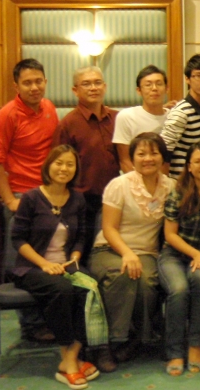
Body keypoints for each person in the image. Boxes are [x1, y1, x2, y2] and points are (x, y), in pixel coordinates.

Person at [11, 144, 101, 389]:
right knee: (62, 289)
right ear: (48, 166)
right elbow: (18, 239)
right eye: (58, 163)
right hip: (32, 267)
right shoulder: (31, 198)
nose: (64, 168)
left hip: (66, 264)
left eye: (70, 164)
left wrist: (75, 257)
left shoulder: (77, 199)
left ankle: (72, 357)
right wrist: (45, 264)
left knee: (90, 288)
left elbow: (81, 237)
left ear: (75, 170)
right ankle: (69, 361)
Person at [89, 132, 175, 373]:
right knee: (122, 275)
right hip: (109, 248)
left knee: (147, 281)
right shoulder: (119, 185)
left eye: (154, 153)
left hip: (147, 252)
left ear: (162, 157)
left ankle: (137, 338)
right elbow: (108, 228)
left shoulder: (171, 187)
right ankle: (107, 343)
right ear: (132, 158)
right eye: (141, 154)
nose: (148, 158)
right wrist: (127, 253)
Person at [0, 58, 59, 342]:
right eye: (27, 83)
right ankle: (30, 325)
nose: (34, 87)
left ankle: (44, 319)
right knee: (21, 263)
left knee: (46, 259)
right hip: (21, 197)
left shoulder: (49, 108)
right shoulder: (6, 115)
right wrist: (9, 201)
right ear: (16, 86)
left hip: (48, 195)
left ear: (45, 81)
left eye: (38, 81)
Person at [158, 140, 200, 375]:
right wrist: (197, 254)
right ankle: (175, 351)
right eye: (198, 161)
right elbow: (170, 235)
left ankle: (196, 344)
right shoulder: (178, 192)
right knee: (179, 289)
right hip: (174, 255)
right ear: (189, 166)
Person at [53, 66, 120, 263]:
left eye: (97, 83)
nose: (93, 88)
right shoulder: (67, 124)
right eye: (86, 84)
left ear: (105, 86)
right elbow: (57, 166)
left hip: (114, 199)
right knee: (82, 253)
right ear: (75, 90)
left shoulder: (117, 118)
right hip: (81, 201)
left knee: (108, 253)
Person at [161, 54, 200, 178]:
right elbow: (164, 151)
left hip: (198, 180)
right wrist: (165, 184)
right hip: (180, 182)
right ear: (187, 79)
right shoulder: (181, 112)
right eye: (198, 75)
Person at [113, 65, 170, 173]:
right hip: (136, 181)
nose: (154, 88)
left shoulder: (174, 117)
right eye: (148, 85)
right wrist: (143, 183)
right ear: (139, 90)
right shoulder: (126, 116)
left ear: (166, 88)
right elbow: (125, 161)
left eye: (159, 84)